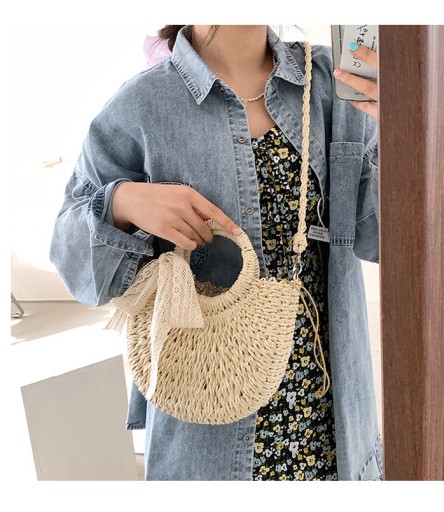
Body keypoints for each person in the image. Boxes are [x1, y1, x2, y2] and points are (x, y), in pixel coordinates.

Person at [49, 25, 382, 481]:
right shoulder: (143, 105)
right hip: (206, 442)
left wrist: (405, 130)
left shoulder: (331, 83)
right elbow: (75, 265)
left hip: (332, 433)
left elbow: (380, 237)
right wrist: (122, 203)